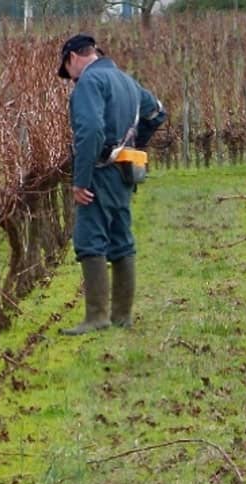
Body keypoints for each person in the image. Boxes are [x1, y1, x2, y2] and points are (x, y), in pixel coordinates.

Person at [57, 34, 166, 335]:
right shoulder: (125, 80)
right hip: (125, 173)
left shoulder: (89, 83)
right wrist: (133, 145)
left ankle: (96, 317)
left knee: (89, 238)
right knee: (121, 238)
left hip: (100, 172)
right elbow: (157, 112)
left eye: (68, 73)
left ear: (72, 58)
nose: (71, 79)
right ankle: (122, 315)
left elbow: (89, 131)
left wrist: (80, 181)